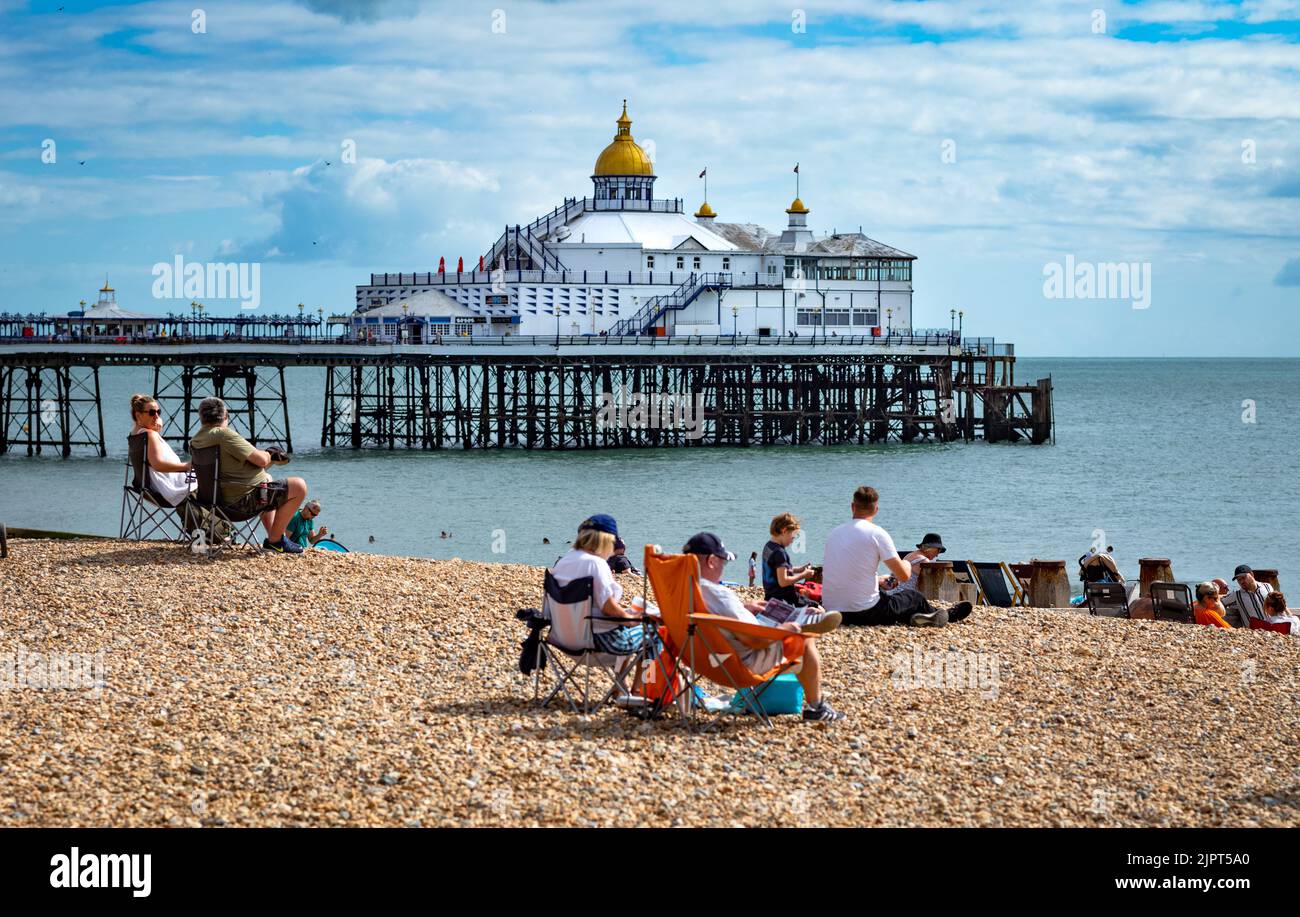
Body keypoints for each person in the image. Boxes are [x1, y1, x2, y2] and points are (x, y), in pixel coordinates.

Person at [685, 532, 844, 722]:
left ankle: (804, 619)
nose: (723, 568)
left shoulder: (685, 589)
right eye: (723, 562)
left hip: (696, 657)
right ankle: (816, 708)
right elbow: (755, 640)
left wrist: (744, 608)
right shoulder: (720, 595)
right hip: (740, 663)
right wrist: (786, 630)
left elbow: (710, 616)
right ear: (711, 561)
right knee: (805, 639)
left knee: (777, 617)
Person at [821, 486, 972, 627]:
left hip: (833, 612)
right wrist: (906, 563)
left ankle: (917, 618)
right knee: (913, 597)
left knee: (895, 603)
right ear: (876, 509)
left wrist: (878, 580)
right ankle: (947, 616)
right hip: (864, 613)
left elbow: (846, 572)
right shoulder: (877, 534)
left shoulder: (833, 534)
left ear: (852, 506)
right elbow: (904, 576)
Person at [189, 396, 308, 554]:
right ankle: (275, 541)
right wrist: (269, 453)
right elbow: (261, 460)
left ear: (201, 417)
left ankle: (274, 536)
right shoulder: (224, 435)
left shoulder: (195, 440)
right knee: (299, 486)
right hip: (240, 505)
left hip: (213, 504)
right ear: (226, 416)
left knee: (267, 480)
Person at [549, 515, 658, 657]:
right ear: (607, 539)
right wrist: (631, 619)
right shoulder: (596, 564)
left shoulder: (564, 561)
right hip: (597, 642)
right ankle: (644, 680)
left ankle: (623, 678)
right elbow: (609, 609)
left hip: (563, 640)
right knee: (655, 631)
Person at [128, 394, 194, 509]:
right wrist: (187, 466)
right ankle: (212, 525)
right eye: (152, 413)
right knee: (211, 482)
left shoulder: (135, 436)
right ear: (138, 415)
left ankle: (199, 523)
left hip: (149, 490)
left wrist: (155, 428)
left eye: (159, 412)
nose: (156, 416)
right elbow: (158, 465)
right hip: (168, 491)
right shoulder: (150, 435)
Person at [762, 512, 815, 605]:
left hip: (770, 597)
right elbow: (783, 582)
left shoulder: (768, 546)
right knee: (818, 608)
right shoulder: (779, 552)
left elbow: (778, 570)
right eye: (792, 537)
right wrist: (803, 575)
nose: (792, 541)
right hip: (784, 598)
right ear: (784, 531)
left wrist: (800, 569)